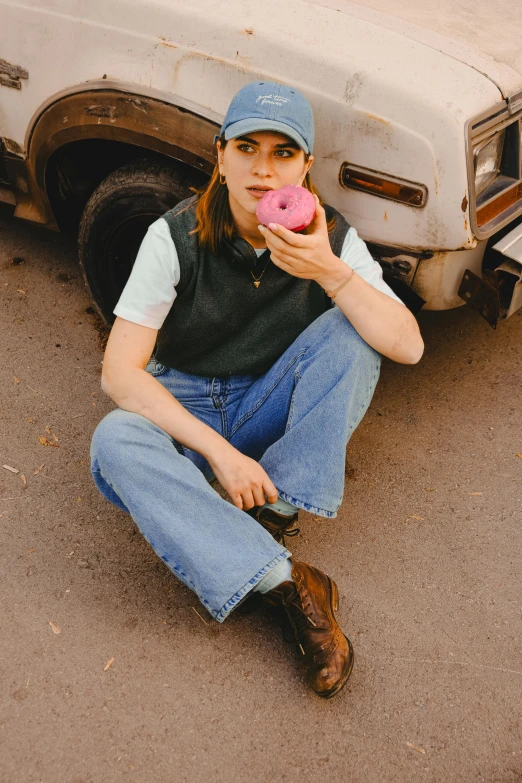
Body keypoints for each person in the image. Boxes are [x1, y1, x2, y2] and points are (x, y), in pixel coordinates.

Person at [90, 81, 424, 699]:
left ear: (305, 167)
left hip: (263, 399)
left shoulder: (331, 237)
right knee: (115, 439)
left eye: (281, 153)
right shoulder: (174, 237)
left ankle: (274, 506)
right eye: (247, 148)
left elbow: (408, 345)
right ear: (220, 155)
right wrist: (221, 454)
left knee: (356, 335)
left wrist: (328, 269)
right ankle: (285, 581)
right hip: (184, 407)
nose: (262, 170)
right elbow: (120, 373)